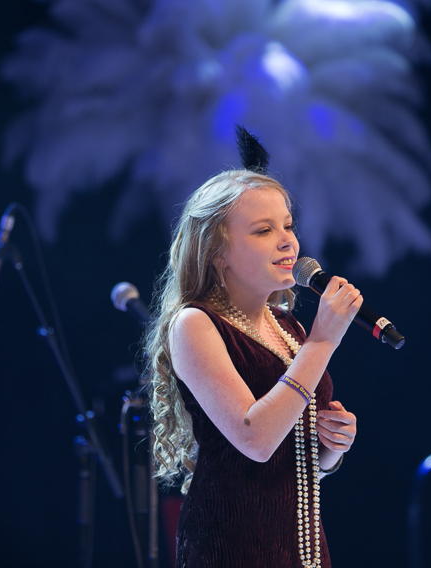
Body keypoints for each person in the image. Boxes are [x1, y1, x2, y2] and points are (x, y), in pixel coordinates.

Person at [144, 168, 360, 568]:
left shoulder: (288, 327)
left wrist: (330, 448)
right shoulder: (195, 324)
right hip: (233, 545)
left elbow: (289, 464)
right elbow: (255, 439)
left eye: (288, 225)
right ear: (216, 252)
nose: (288, 241)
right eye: (263, 230)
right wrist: (323, 342)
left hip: (302, 548)